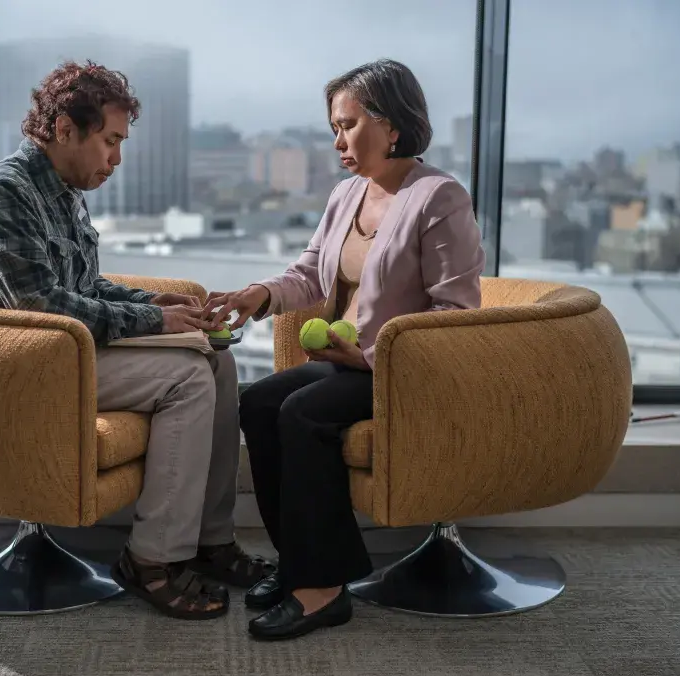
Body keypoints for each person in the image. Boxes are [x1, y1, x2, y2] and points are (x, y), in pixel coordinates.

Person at [0, 60, 272, 620]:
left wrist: (155, 304)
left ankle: (208, 540)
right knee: (188, 377)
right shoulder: (3, 192)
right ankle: (151, 560)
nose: (117, 159)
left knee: (216, 362)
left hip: (63, 355)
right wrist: (154, 325)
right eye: (110, 141)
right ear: (64, 129)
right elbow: (38, 307)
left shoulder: (65, 191)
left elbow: (82, 287)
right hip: (15, 366)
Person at [205, 59, 486, 640]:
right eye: (333, 127)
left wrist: (374, 354)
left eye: (348, 124)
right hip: (345, 360)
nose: (337, 140)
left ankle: (322, 590)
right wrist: (260, 294)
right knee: (258, 404)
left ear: (391, 124)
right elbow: (310, 274)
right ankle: (299, 564)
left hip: (404, 367)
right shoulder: (346, 194)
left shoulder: (440, 197)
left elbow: (457, 312)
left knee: (302, 413)